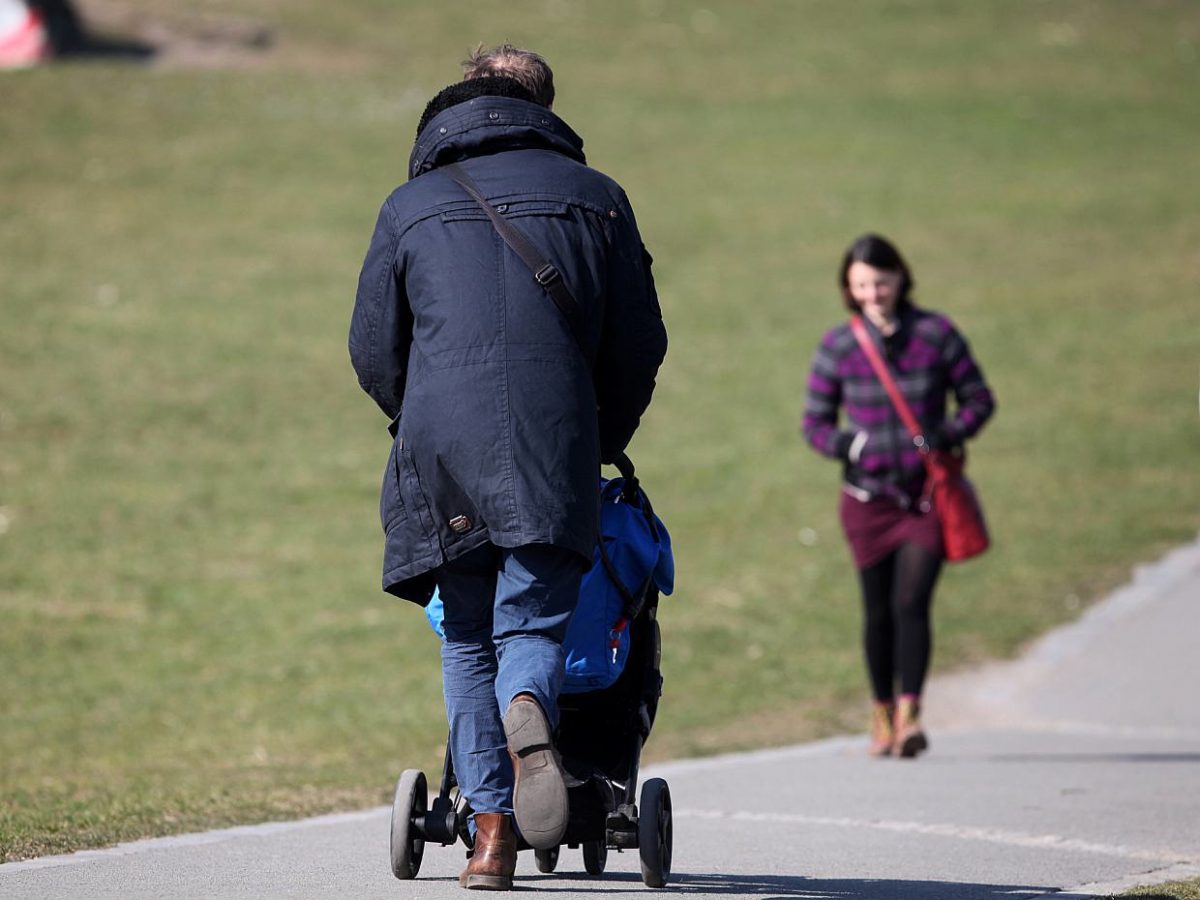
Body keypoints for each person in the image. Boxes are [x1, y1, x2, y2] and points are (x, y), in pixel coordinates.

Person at [349, 44, 667, 889]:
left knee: (464, 632)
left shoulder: (409, 205)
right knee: (528, 625)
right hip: (553, 439)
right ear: (544, 105)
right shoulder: (599, 199)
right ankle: (530, 703)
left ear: (453, 103)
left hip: (441, 446)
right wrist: (600, 436)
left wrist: (412, 422)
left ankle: (490, 839)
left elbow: (372, 349)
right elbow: (639, 344)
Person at [802, 234, 994, 759]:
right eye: (862, 284)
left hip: (926, 498)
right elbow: (814, 425)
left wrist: (949, 433)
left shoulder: (936, 335)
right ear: (849, 287)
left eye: (881, 281)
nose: (874, 292)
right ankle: (881, 714)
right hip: (866, 502)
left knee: (912, 601)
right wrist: (851, 444)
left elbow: (979, 398)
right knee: (877, 610)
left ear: (901, 278)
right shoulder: (838, 346)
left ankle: (910, 714)